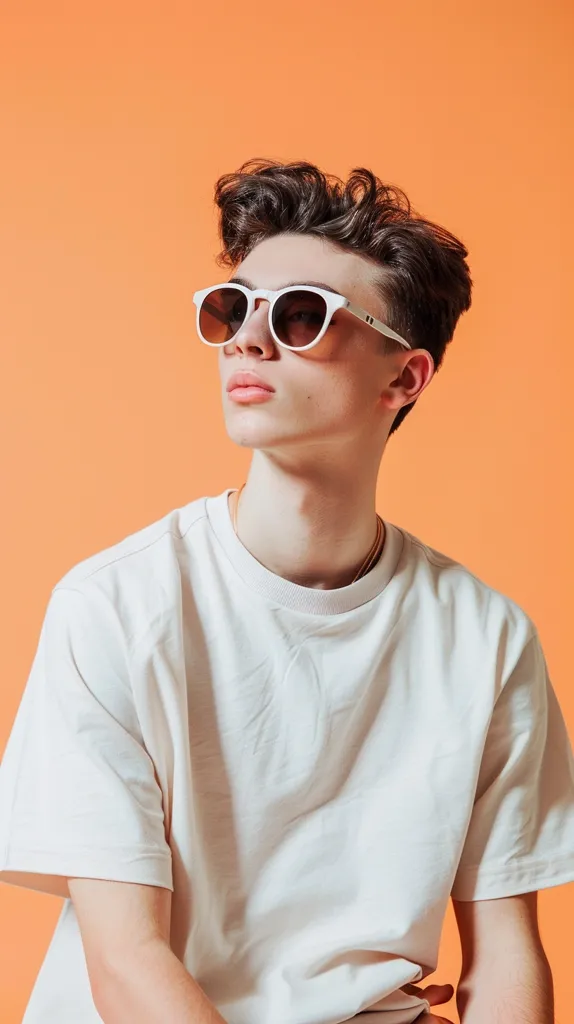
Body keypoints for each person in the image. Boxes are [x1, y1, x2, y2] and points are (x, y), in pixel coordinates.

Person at [1, 159, 573, 1024]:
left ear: (404, 379)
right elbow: (126, 961)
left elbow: (505, 957)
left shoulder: (485, 638)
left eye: (303, 316)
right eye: (233, 307)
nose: (247, 339)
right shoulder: (116, 607)